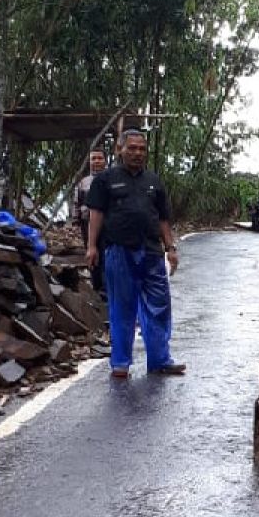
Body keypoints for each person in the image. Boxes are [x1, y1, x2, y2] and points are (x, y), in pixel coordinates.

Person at [85, 130, 186, 378]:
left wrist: (170, 248)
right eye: (132, 148)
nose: (137, 153)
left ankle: (160, 360)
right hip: (119, 251)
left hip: (151, 252)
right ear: (120, 150)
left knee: (159, 305)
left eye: (142, 149)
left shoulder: (153, 181)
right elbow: (95, 214)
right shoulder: (106, 180)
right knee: (122, 306)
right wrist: (91, 246)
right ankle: (120, 363)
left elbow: (162, 218)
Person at [75, 149, 107, 290]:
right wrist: (76, 218)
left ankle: (108, 287)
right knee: (92, 252)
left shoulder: (110, 179)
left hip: (107, 224)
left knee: (107, 253)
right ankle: (96, 287)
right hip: (86, 223)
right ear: (89, 162)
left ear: (105, 161)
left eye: (100, 158)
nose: (97, 161)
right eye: (94, 159)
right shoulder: (83, 182)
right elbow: (76, 202)